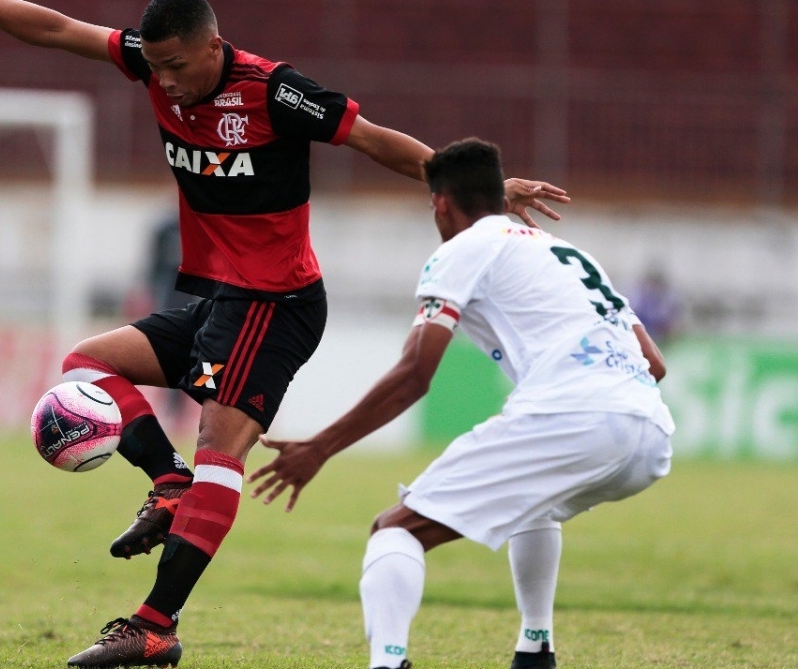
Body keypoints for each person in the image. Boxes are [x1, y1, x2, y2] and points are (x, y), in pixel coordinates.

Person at [0, 1, 568, 666]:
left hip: (276, 301)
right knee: (86, 365)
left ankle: (153, 627)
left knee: (219, 446)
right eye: (156, 68)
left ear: (212, 47)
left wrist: (485, 190)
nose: (168, 82)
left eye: (178, 66)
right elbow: (54, 27)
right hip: (214, 297)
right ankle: (166, 480)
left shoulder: (274, 92)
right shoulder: (152, 66)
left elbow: (373, 138)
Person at [248, 138, 674, 669]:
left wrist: (321, 447)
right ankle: (534, 650)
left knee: (395, 530)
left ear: (440, 204)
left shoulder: (459, 251)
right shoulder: (570, 253)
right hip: (650, 432)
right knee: (533, 501)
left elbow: (415, 373)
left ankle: (387, 664)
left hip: (574, 415)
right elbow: (653, 362)